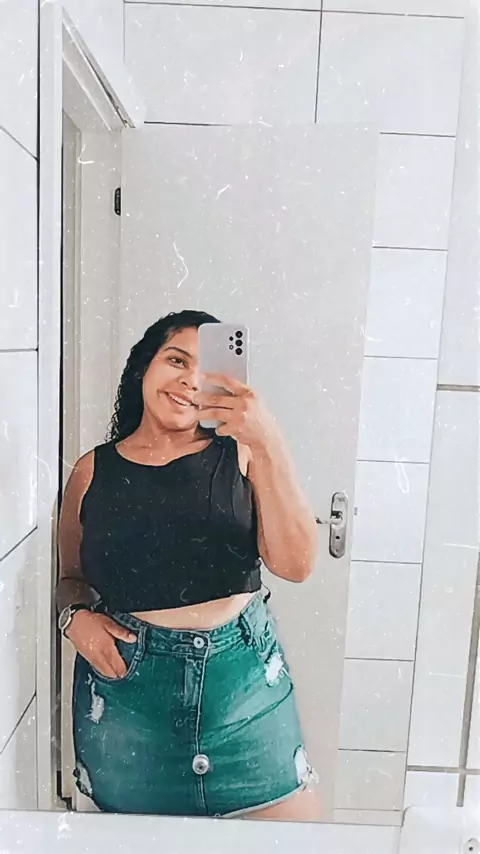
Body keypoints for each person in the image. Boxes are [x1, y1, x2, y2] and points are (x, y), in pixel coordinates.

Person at [57, 309, 320, 820]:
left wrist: (267, 440)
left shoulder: (243, 455)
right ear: (144, 367)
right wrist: (75, 619)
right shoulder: (92, 470)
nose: (189, 381)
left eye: (205, 371)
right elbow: (71, 579)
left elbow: (296, 564)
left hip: (245, 693)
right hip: (129, 700)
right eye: (176, 360)